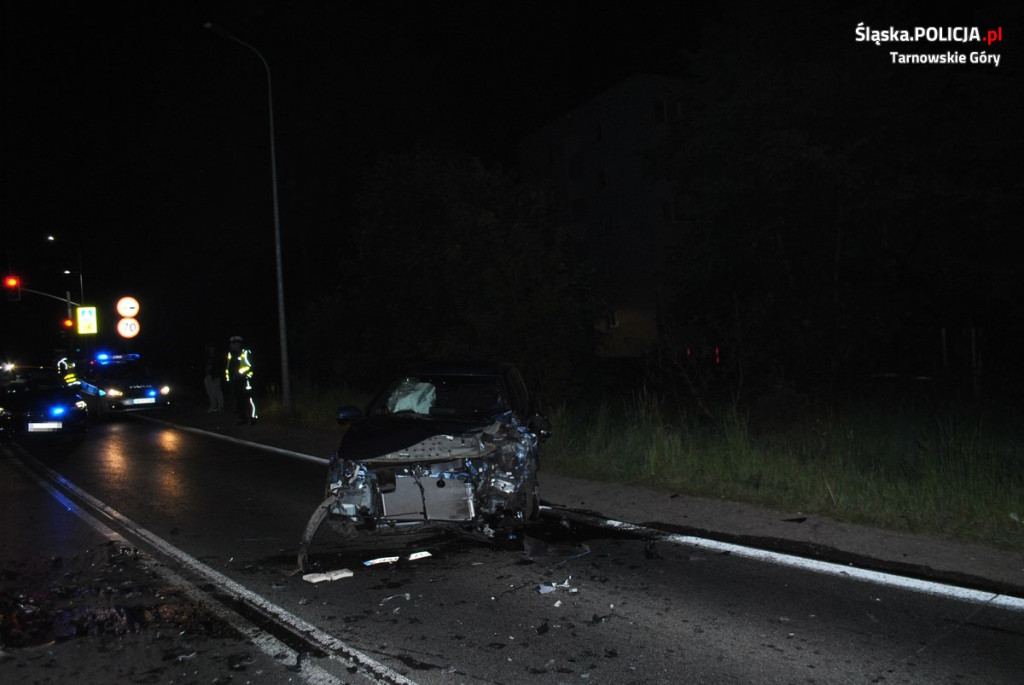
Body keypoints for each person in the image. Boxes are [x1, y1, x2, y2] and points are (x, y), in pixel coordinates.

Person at [225, 335, 257, 424]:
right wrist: (228, 378)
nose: (234, 345)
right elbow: (228, 367)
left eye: (236, 343)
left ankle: (253, 418)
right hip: (235, 381)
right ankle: (243, 419)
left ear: (240, 344)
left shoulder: (245, 353)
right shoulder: (231, 354)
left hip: (245, 380)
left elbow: (250, 366)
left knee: (248, 400)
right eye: (232, 343)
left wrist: (240, 373)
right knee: (238, 400)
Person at [203, 344, 224, 412]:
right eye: (210, 348)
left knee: (217, 391)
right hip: (208, 376)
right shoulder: (208, 356)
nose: (211, 349)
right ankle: (213, 406)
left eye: (212, 348)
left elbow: (219, 367)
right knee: (210, 392)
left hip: (215, 376)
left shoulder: (217, 357)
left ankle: (220, 407)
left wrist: (216, 376)